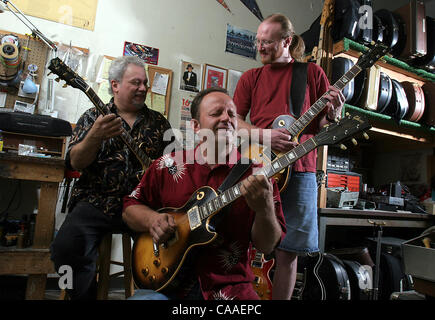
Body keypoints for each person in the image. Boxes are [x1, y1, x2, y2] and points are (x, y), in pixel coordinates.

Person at [123, 87, 286, 300]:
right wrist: (153, 220)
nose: (226, 118)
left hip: (230, 288)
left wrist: (264, 209)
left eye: (231, 114)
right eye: (216, 113)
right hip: (166, 286)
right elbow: (129, 208)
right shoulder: (167, 164)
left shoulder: (258, 175)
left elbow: (267, 245)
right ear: (196, 126)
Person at [233, 13, 345, 300]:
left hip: (301, 169)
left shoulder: (311, 74)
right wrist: (265, 135)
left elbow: (322, 125)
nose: (260, 47)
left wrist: (333, 115)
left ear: (287, 41)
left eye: (267, 42)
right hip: (256, 164)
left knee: (289, 252)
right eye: (258, 41)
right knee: (242, 242)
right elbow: (234, 123)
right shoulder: (250, 78)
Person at [50, 55, 173, 300]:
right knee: (64, 249)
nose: (143, 88)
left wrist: (161, 176)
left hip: (142, 206)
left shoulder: (159, 123)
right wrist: (95, 136)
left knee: (171, 249)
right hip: (96, 201)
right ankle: (81, 295)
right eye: (135, 83)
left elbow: (175, 167)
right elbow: (75, 162)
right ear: (115, 85)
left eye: (145, 84)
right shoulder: (91, 117)